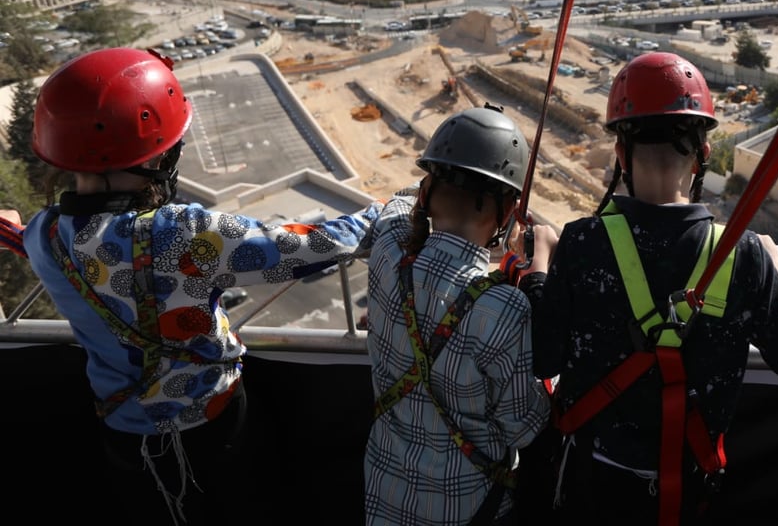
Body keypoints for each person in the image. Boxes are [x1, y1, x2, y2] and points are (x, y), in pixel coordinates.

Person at [18, 47, 382, 525]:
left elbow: (59, 242)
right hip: (215, 429)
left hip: (122, 435)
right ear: (158, 153)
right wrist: (385, 211)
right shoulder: (181, 232)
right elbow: (309, 247)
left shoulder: (44, 236)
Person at [524, 51, 778, 524]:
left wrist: (540, 267)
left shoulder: (583, 242)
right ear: (703, 154)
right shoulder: (741, 255)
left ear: (620, 155)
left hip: (594, 484)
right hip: (689, 489)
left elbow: (543, 359)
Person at [364, 104, 552, 526]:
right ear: (507, 214)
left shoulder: (389, 251)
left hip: (384, 495)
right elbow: (526, 425)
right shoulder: (503, 310)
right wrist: (539, 273)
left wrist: (452, 164)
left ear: (428, 193)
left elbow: (399, 202)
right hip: (470, 509)